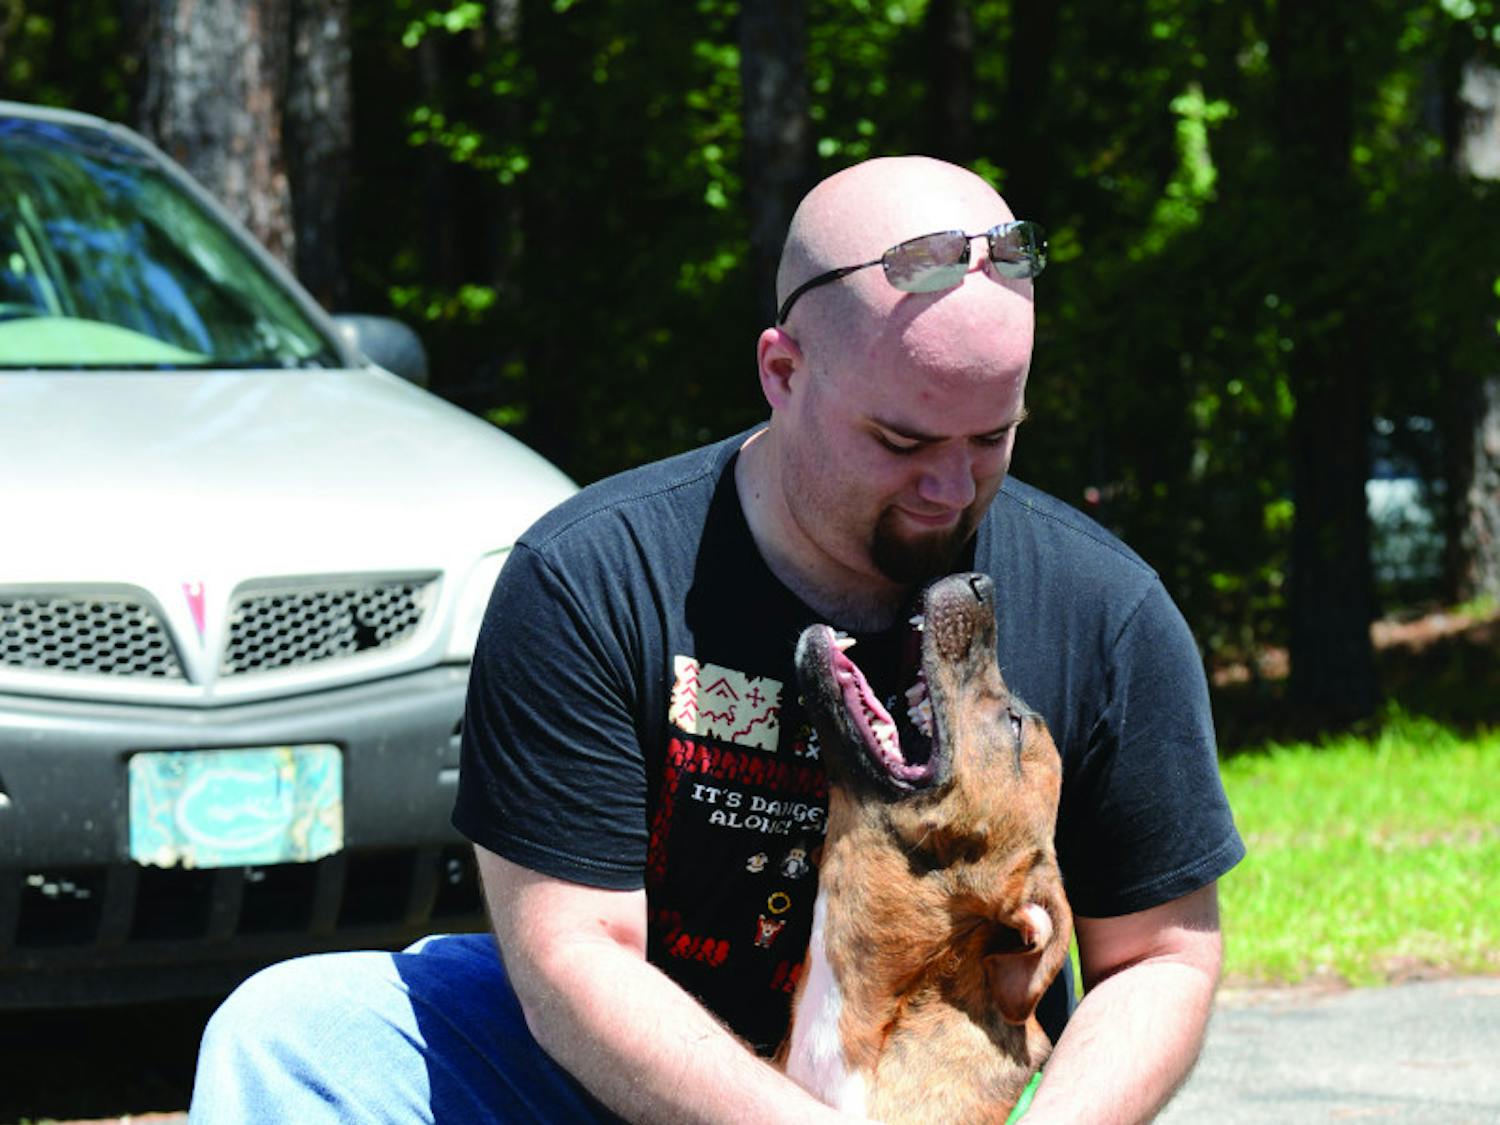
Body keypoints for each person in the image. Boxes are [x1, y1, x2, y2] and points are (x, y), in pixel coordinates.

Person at [190, 155, 1244, 1124]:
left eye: (992, 437)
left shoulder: (1107, 610)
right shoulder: (592, 580)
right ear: (782, 372)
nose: (950, 488)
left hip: (931, 1090)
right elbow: (573, 961)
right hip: (632, 1078)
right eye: (903, 439)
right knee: (295, 1033)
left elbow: (1161, 956)